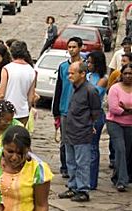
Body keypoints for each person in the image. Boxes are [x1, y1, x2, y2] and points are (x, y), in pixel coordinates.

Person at [58, 62, 101, 203]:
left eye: (72, 73)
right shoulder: (73, 88)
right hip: (70, 131)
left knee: (82, 162)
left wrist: (89, 124)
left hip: (82, 132)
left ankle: (83, 190)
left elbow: (96, 111)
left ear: (82, 74)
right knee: (71, 161)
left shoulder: (90, 90)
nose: (69, 76)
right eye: (69, 73)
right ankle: (73, 186)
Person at [52, 37, 83, 178]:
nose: (71, 49)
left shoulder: (84, 67)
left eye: (74, 47)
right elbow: (59, 88)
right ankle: (65, 166)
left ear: (80, 48)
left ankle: (77, 166)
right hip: (64, 107)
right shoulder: (63, 67)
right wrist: (56, 111)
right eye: (69, 47)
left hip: (79, 109)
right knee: (64, 140)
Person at [0, 41, 36, 127]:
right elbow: (30, 98)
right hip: (23, 112)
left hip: (7, 111)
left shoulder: (7, 69)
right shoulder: (32, 71)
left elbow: (1, 94)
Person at [106, 63, 132, 192]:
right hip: (115, 123)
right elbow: (114, 108)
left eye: (130, 73)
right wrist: (126, 110)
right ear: (121, 74)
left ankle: (117, 176)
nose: (128, 76)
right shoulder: (115, 88)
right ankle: (122, 181)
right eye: (126, 73)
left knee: (126, 152)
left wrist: (126, 109)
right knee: (120, 149)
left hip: (130, 125)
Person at [86, 51, 108, 190]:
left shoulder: (103, 78)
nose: (88, 65)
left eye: (91, 62)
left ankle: (91, 180)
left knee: (93, 147)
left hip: (95, 114)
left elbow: (93, 93)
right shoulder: (87, 76)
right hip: (83, 114)